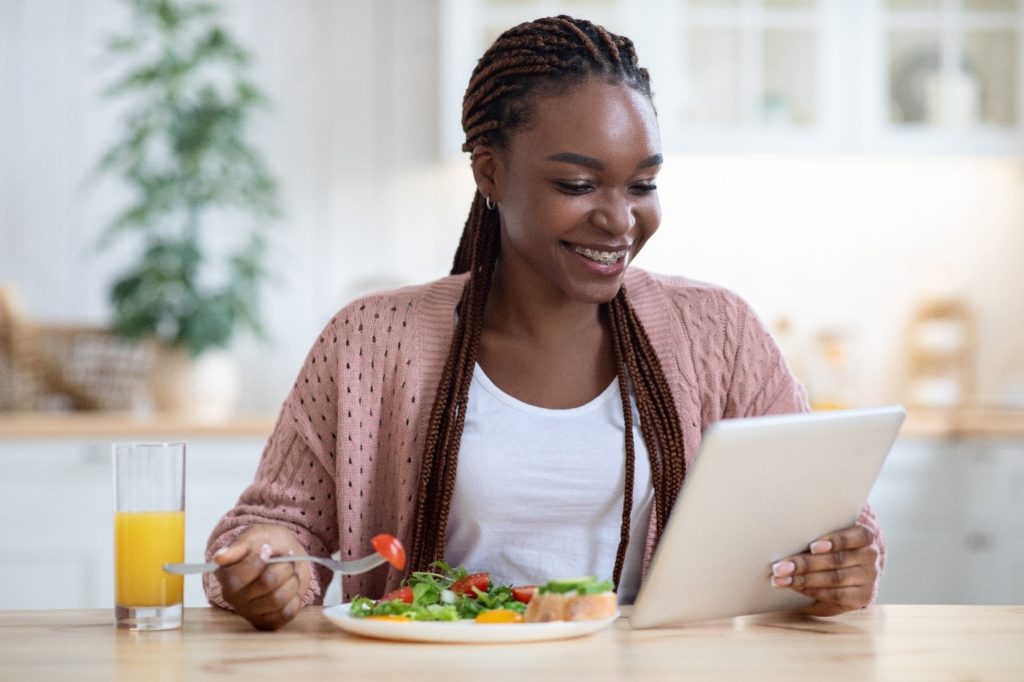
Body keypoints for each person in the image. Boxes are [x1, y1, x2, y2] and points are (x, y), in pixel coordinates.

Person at [205, 15, 885, 631]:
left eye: (642, 184)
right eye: (579, 185)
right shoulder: (369, 341)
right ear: (491, 173)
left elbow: (828, 525)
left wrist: (842, 566)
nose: (620, 220)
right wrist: (265, 562)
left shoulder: (720, 331)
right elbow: (271, 529)